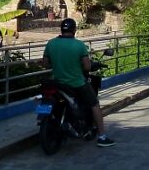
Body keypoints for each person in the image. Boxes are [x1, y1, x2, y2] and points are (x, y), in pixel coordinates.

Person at [41, 18, 115, 148]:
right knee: (94, 104)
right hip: (76, 83)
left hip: (56, 82)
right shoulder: (79, 45)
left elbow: (46, 63)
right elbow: (87, 67)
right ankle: (102, 136)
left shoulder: (51, 43)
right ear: (74, 30)